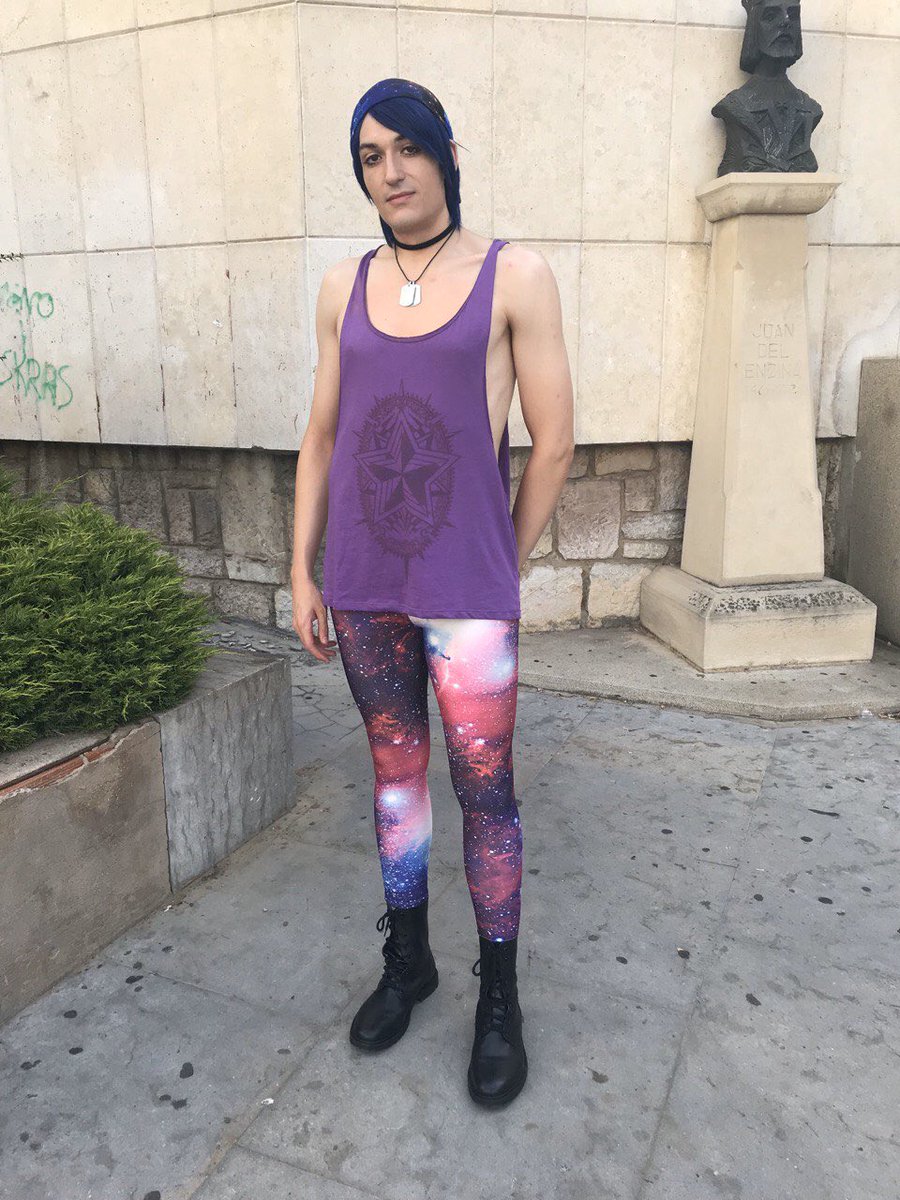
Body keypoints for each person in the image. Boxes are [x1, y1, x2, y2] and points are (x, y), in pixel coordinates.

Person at [290, 77, 574, 1107]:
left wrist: (502, 558)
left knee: (487, 795)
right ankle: (409, 960)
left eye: (406, 148)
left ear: (445, 154)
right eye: (370, 157)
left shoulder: (515, 275)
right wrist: (300, 567)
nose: (391, 171)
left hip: (467, 595)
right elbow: (322, 435)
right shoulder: (343, 285)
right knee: (395, 781)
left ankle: (499, 1000)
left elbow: (555, 439)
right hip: (363, 589)